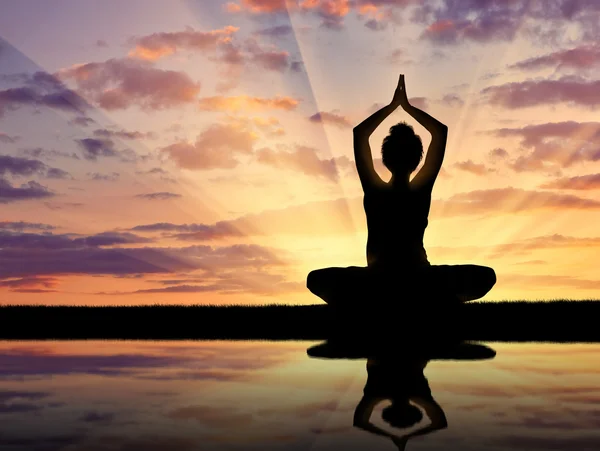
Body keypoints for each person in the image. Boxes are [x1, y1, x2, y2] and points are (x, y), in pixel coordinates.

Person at [306, 74, 496, 308]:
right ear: (416, 159)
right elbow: (440, 132)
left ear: (386, 157)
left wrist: (393, 107)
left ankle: (370, 302)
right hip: (406, 278)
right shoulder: (418, 189)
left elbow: (360, 134)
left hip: (392, 278)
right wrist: (406, 107)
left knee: (317, 279)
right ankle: (432, 301)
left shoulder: (377, 188)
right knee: (485, 276)